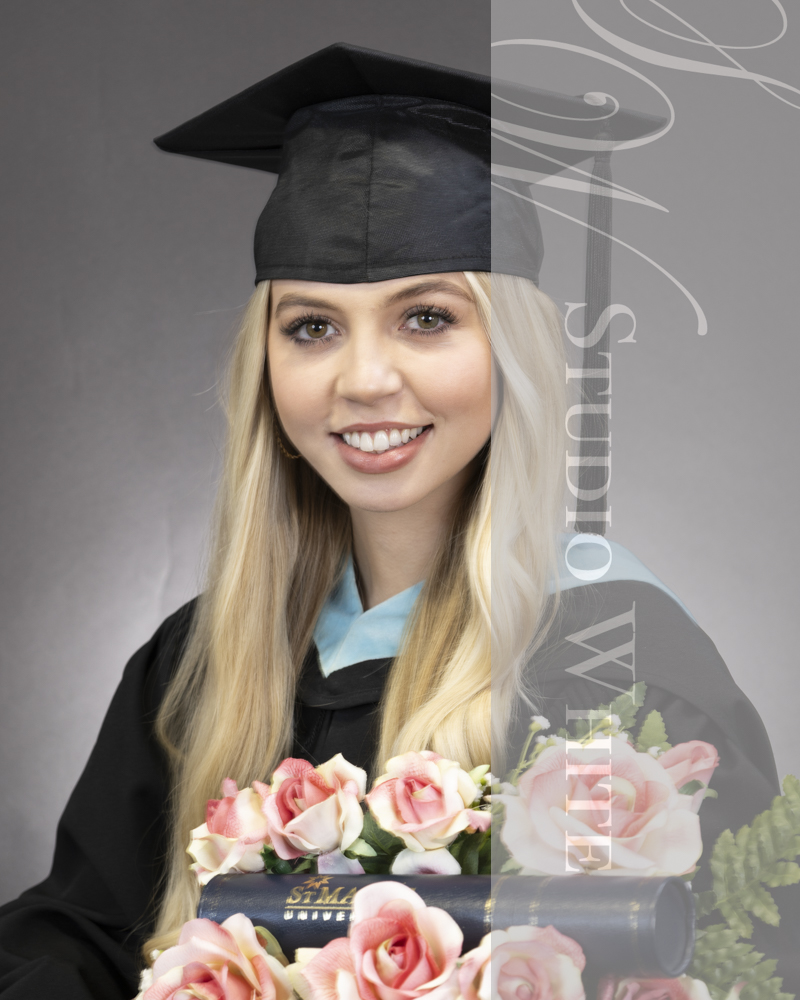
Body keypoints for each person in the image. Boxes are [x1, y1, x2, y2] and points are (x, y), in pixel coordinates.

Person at [0, 41, 796, 999]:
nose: (366, 379)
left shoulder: (615, 663)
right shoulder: (198, 663)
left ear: (513, 351)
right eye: (312, 327)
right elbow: (83, 934)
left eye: (427, 318)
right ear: (266, 367)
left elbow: (740, 960)